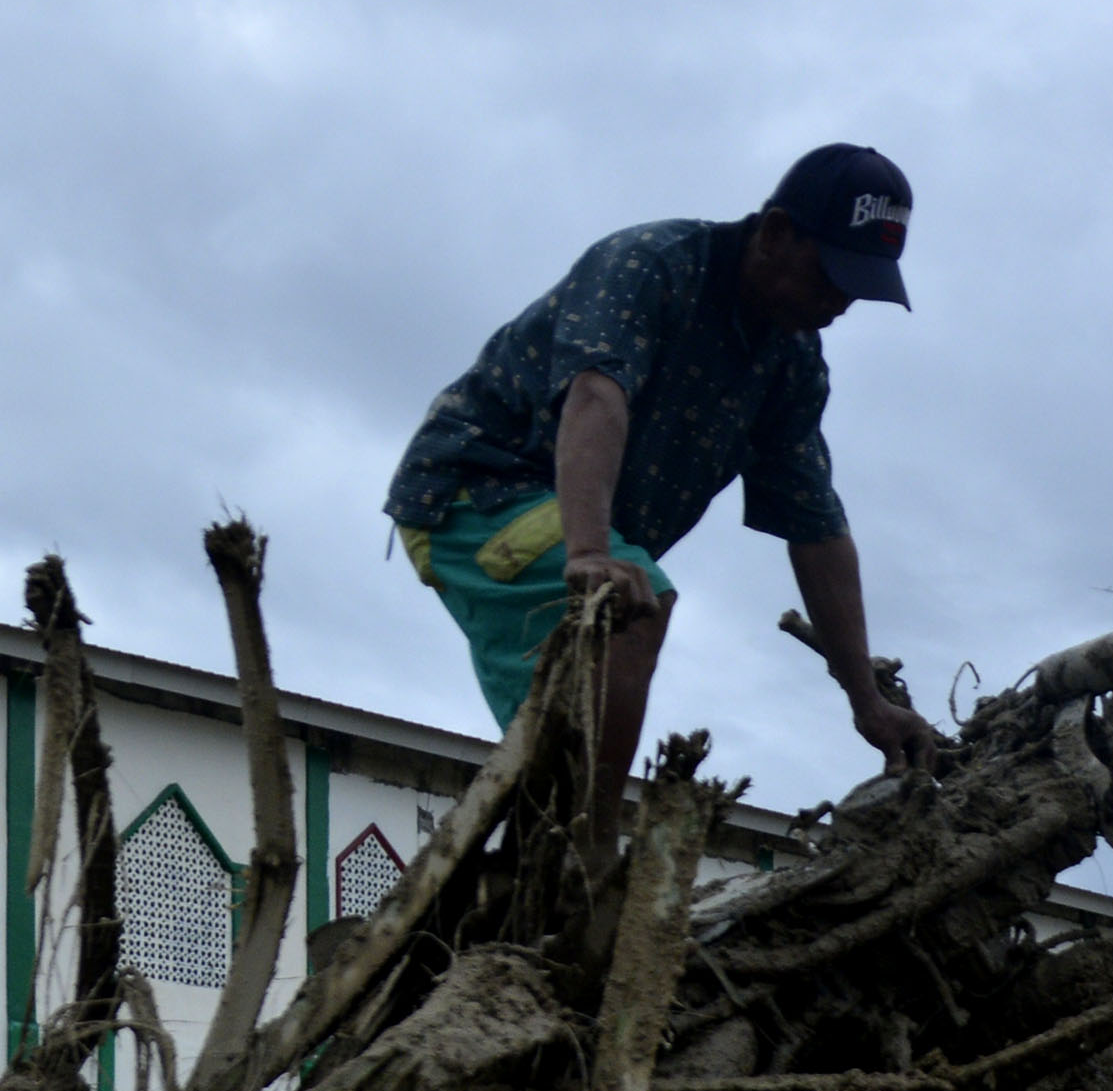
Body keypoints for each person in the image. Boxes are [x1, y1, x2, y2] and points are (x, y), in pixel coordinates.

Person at [387, 144, 937, 842]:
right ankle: (579, 862)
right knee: (635, 600)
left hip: (565, 522)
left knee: (611, 636)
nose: (840, 303)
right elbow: (597, 392)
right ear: (773, 234)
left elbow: (818, 528)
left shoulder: (791, 361)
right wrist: (588, 550)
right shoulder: (652, 265)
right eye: (830, 274)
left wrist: (867, 701)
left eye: (859, 288)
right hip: (474, 492)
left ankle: (545, 854)